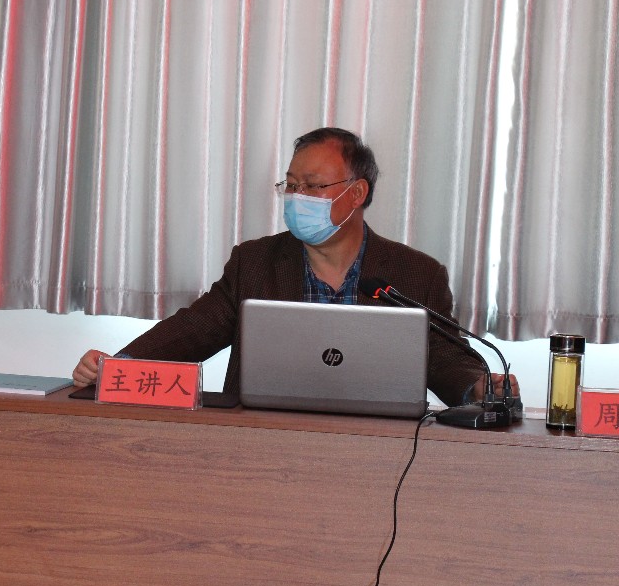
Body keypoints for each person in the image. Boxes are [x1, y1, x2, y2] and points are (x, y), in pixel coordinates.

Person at [73, 127, 518, 406]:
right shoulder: (255, 262)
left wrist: (478, 387)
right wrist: (118, 366)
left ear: (357, 193)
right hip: (262, 443)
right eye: (290, 185)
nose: (296, 197)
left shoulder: (415, 273)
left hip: (377, 450)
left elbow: (444, 358)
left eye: (312, 186)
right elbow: (194, 329)